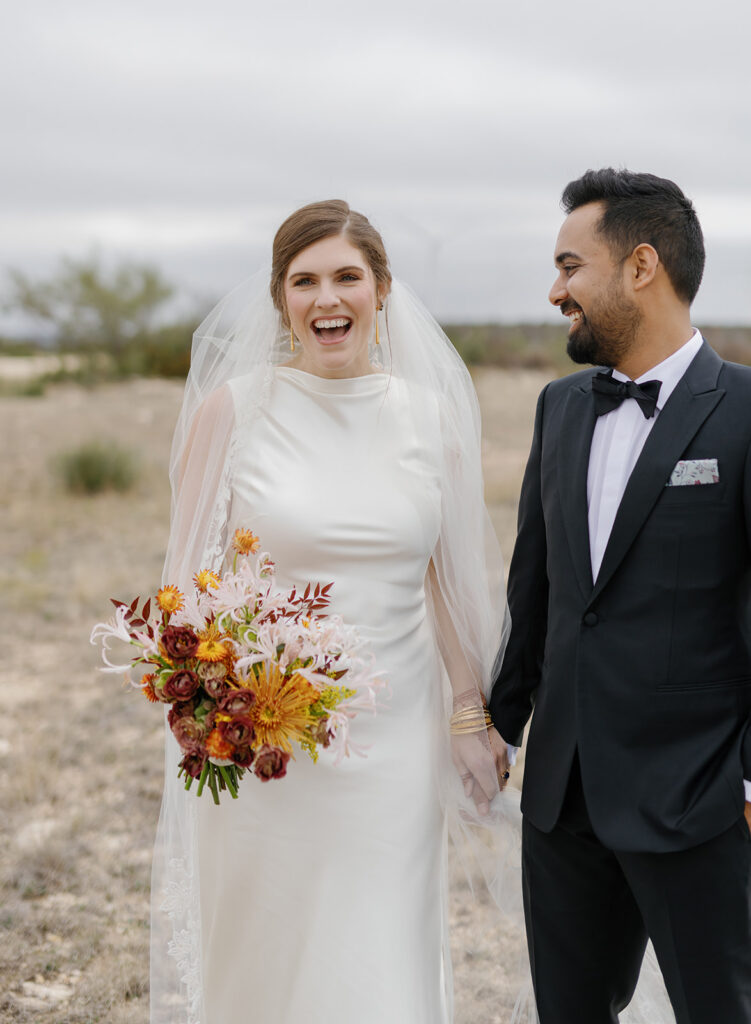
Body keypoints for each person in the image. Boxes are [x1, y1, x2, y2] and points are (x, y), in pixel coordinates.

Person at [150, 200, 517, 1024]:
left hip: (392, 743)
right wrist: (215, 704)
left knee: (377, 951)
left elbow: (448, 582)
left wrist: (469, 715)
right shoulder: (232, 412)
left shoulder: (430, 419)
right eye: (304, 280)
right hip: (266, 744)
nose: (327, 299)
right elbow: (187, 586)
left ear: (381, 290)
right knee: (268, 954)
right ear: (279, 299)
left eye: (346, 277)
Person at [490, 167, 751, 1023]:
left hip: (699, 798)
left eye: (571, 266)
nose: (555, 290)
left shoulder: (745, 413)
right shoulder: (560, 408)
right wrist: (498, 724)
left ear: (641, 267)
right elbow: (538, 589)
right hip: (560, 801)